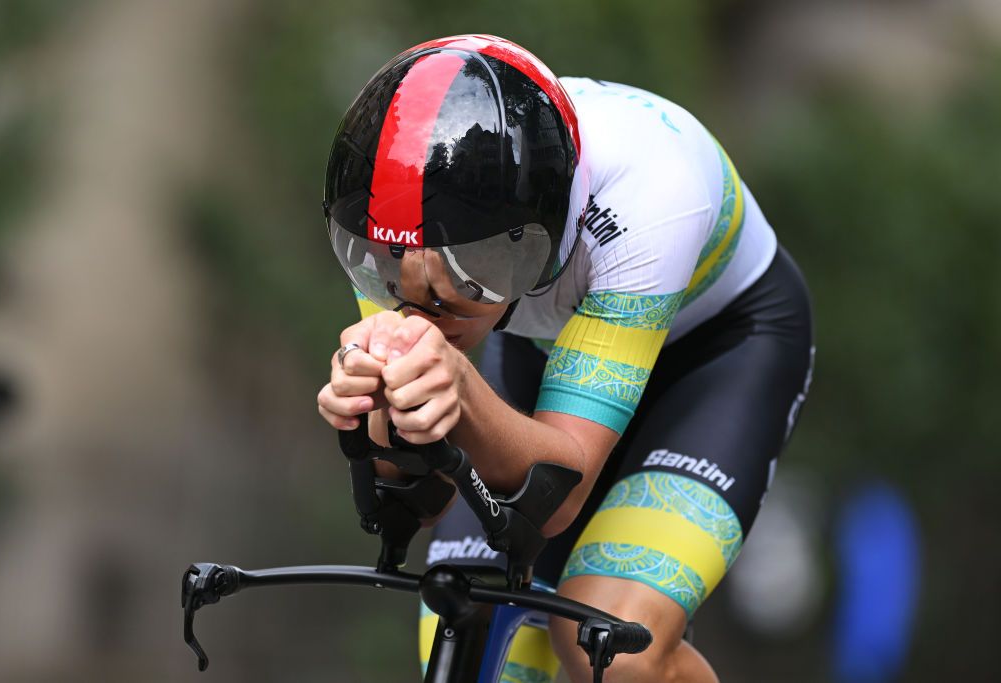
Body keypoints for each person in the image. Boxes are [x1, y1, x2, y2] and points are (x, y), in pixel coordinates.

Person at [318, 34, 814, 683]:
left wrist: (458, 394)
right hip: (537, 346)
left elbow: (554, 497)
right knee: (471, 631)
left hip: (713, 353)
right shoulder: (393, 229)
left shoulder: (654, 187)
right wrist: (373, 412)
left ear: (540, 231)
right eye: (392, 278)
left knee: (607, 645)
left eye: (465, 276)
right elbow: (421, 499)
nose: (421, 306)